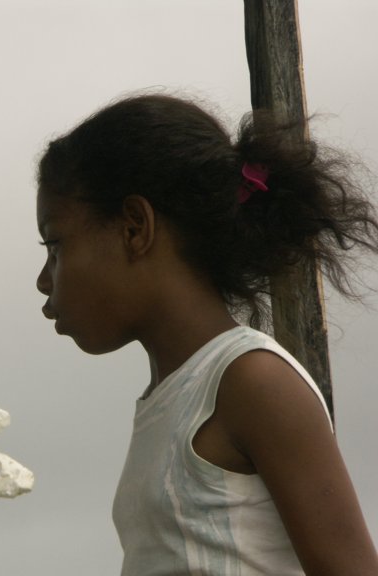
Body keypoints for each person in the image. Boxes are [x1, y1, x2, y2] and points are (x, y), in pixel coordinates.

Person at [35, 93, 378, 575]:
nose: (44, 280)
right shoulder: (170, 400)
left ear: (135, 228)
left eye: (55, 245)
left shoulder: (252, 382)